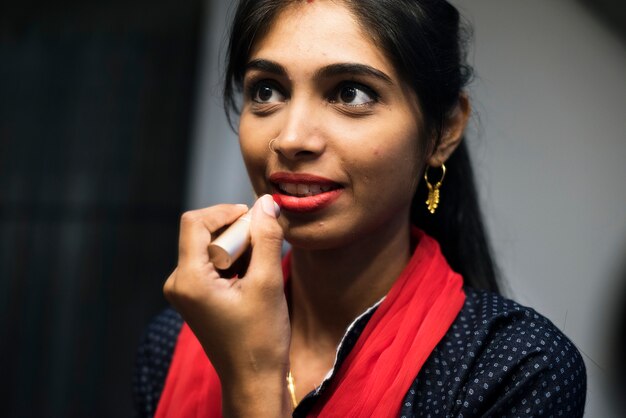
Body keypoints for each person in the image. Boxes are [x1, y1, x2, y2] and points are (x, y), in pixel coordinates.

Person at [134, 0, 587, 416]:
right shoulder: (176, 343)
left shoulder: (514, 368)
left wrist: (253, 380)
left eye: (351, 93)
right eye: (268, 91)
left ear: (444, 131)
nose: (290, 139)